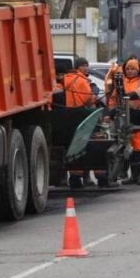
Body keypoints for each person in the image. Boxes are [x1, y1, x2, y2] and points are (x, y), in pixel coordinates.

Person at [106, 57, 140, 184]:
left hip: (138, 118)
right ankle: (133, 175)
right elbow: (114, 99)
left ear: (138, 70)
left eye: (133, 69)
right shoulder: (121, 83)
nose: (130, 71)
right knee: (126, 148)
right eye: (128, 69)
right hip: (123, 118)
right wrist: (111, 112)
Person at [62, 57, 96, 188]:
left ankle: (74, 177)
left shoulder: (65, 79)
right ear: (79, 67)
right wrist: (94, 98)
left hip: (67, 115)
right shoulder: (82, 80)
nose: (86, 68)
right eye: (84, 65)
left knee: (72, 146)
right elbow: (88, 98)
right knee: (83, 145)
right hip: (81, 114)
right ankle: (84, 177)